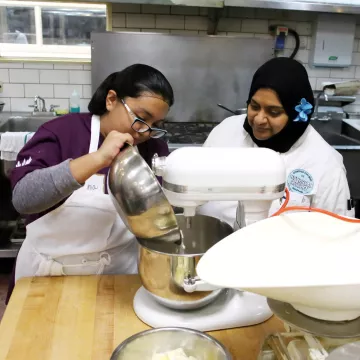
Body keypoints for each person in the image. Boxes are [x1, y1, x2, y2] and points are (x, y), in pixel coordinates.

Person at [11, 63, 174, 281]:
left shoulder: (154, 150)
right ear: (111, 100)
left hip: (118, 276)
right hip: (47, 274)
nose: (145, 132)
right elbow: (24, 198)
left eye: (155, 124)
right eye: (141, 118)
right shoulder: (63, 132)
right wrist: (97, 158)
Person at [198, 57, 354, 227]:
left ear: (295, 115)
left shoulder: (325, 165)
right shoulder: (225, 132)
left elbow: (337, 232)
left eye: (273, 112)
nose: (259, 119)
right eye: (255, 106)